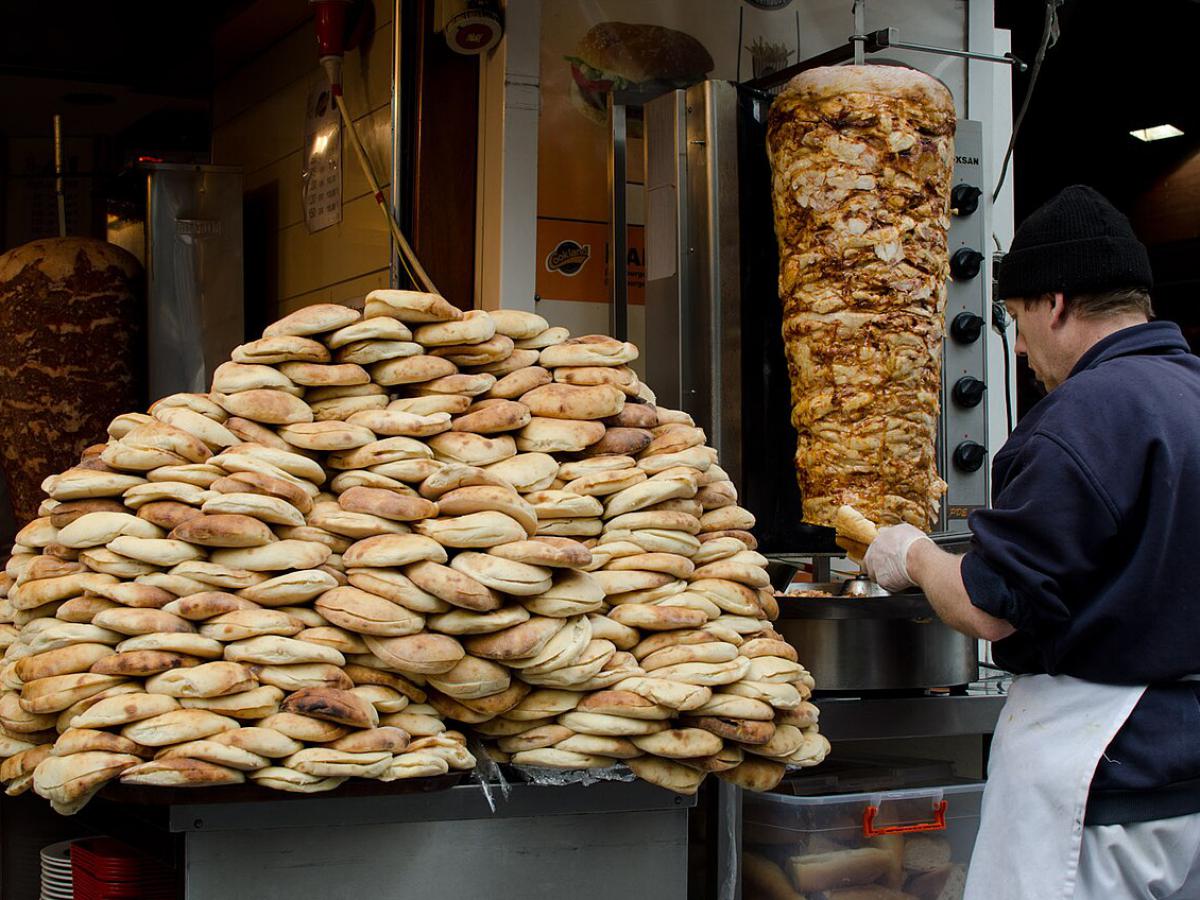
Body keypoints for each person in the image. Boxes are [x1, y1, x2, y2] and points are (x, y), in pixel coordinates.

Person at [865, 185, 1200, 900]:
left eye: (1016, 321)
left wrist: (913, 554)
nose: (1018, 348)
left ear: (1055, 305)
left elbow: (993, 606)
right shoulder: (1190, 391)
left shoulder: (1082, 415)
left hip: (1101, 779)